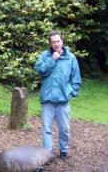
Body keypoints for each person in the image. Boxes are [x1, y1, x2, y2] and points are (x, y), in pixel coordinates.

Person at [34, 31, 81, 160]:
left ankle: (63, 151)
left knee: (64, 128)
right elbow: (40, 70)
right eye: (53, 42)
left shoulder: (70, 58)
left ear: (62, 41)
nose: (56, 44)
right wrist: (52, 59)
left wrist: (70, 92)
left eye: (58, 41)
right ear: (50, 43)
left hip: (63, 100)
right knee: (46, 129)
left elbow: (76, 79)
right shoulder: (45, 56)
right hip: (47, 98)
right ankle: (47, 154)